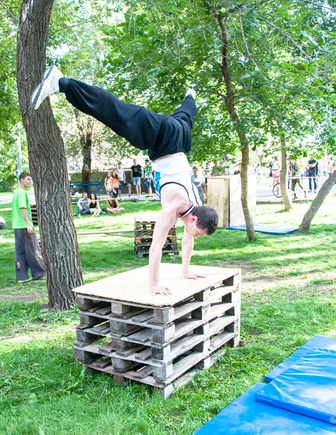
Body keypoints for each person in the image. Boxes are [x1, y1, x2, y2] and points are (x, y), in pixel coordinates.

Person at [30, 66, 219, 295]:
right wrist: (154, 284)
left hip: (181, 137)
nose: (195, 235)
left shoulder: (195, 205)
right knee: (114, 112)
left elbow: (189, 239)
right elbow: (156, 246)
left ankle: (190, 96)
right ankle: (61, 82)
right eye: (198, 231)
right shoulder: (174, 208)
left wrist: (186, 270)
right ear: (194, 218)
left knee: (186, 114)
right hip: (161, 137)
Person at [11, 172, 45, 283]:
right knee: (33, 249)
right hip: (23, 225)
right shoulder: (21, 193)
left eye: (31, 179)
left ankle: (22, 276)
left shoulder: (16, 192)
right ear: (22, 180)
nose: (30, 182)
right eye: (28, 179)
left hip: (17, 225)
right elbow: (22, 208)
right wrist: (27, 223)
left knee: (20, 251)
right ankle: (39, 273)